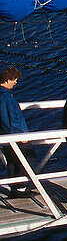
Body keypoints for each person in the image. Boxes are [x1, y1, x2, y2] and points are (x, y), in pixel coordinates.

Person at [0, 66, 31, 197]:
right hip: (13, 136)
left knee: (12, 162)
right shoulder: (6, 97)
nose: (16, 83)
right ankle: (20, 187)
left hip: (5, 136)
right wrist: (19, 135)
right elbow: (10, 119)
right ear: (8, 80)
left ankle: (15, 188)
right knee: (28, 158)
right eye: (14, 80)